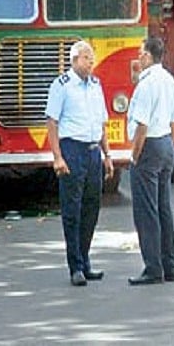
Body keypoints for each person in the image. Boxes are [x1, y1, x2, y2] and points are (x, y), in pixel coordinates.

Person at [45, 40, 114, 287]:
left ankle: (85, 261)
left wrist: (108, 155)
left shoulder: (96, 85)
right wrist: (57, 157)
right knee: (72, 210)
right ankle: (75, 266)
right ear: (74, 60)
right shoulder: (62, 85)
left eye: (92, 58)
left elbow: (102, 123)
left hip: (93, 150)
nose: (91, 62)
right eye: (86, 58)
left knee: (91, 208)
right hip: (72, 149)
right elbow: (52, 122)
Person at [126, 36, 174, 286]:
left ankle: (152, 267)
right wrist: (168, 143)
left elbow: (141, 126)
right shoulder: (170, 81)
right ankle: (170, 265)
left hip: (149, 146)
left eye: (140, 54)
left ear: (148, 56)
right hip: (167, 144)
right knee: (164, 207)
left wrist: (135, 155)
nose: (138, 58)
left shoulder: (145, 85)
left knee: (146, 211)